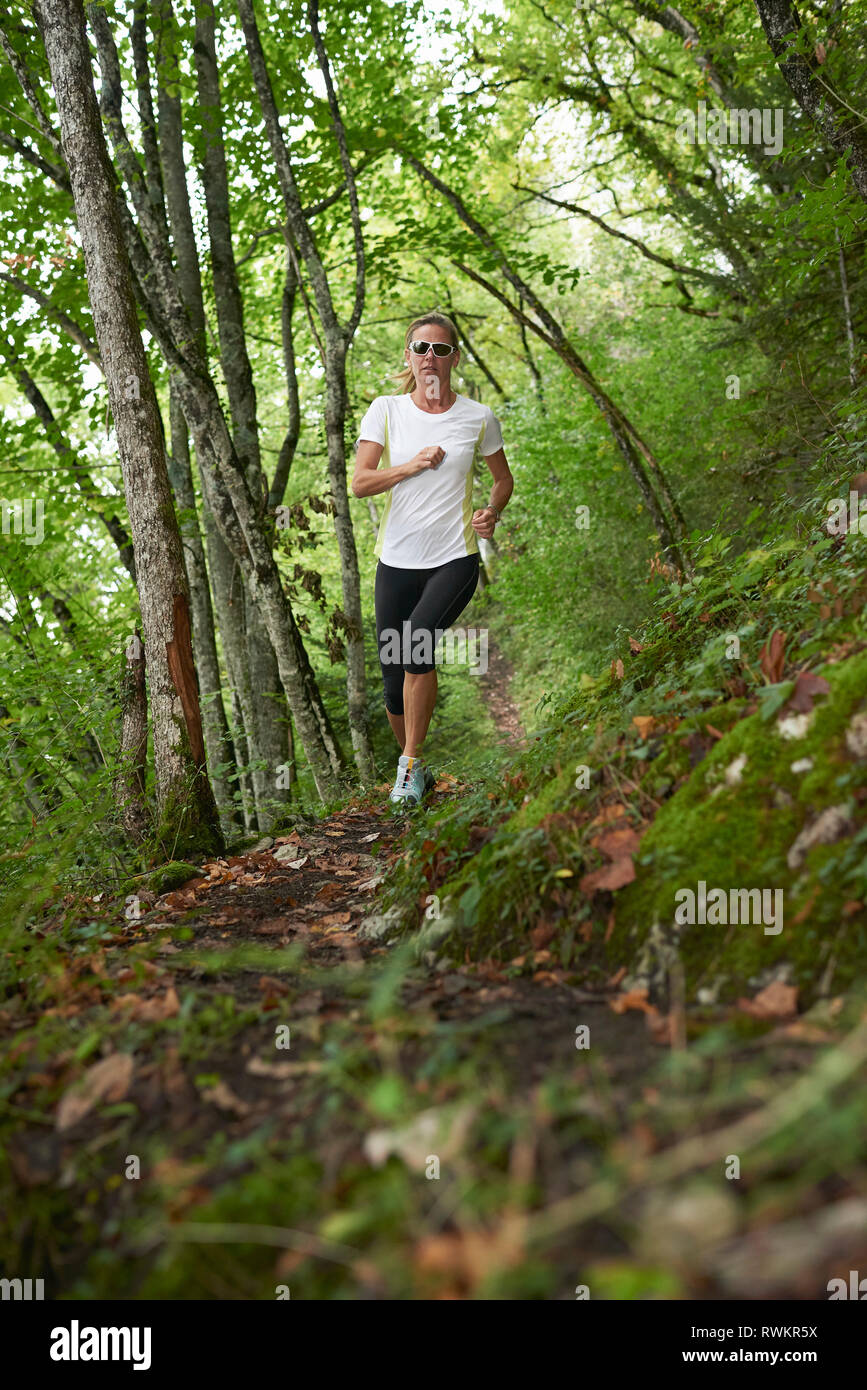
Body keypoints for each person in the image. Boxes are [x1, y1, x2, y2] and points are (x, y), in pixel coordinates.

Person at [352, 312, 514, 807]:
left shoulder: (478, 417)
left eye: (440, 350)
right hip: (396, 559)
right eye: (421, 348)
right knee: (391, 670)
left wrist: (491, 512)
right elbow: (360, 482)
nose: (430, 358)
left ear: (454, 359)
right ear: (409, 356)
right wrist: (411, 465)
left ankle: (409, 766)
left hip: (455, 557)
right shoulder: (386, 410)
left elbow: (503, 481)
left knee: (416, 645)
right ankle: (410, 760)